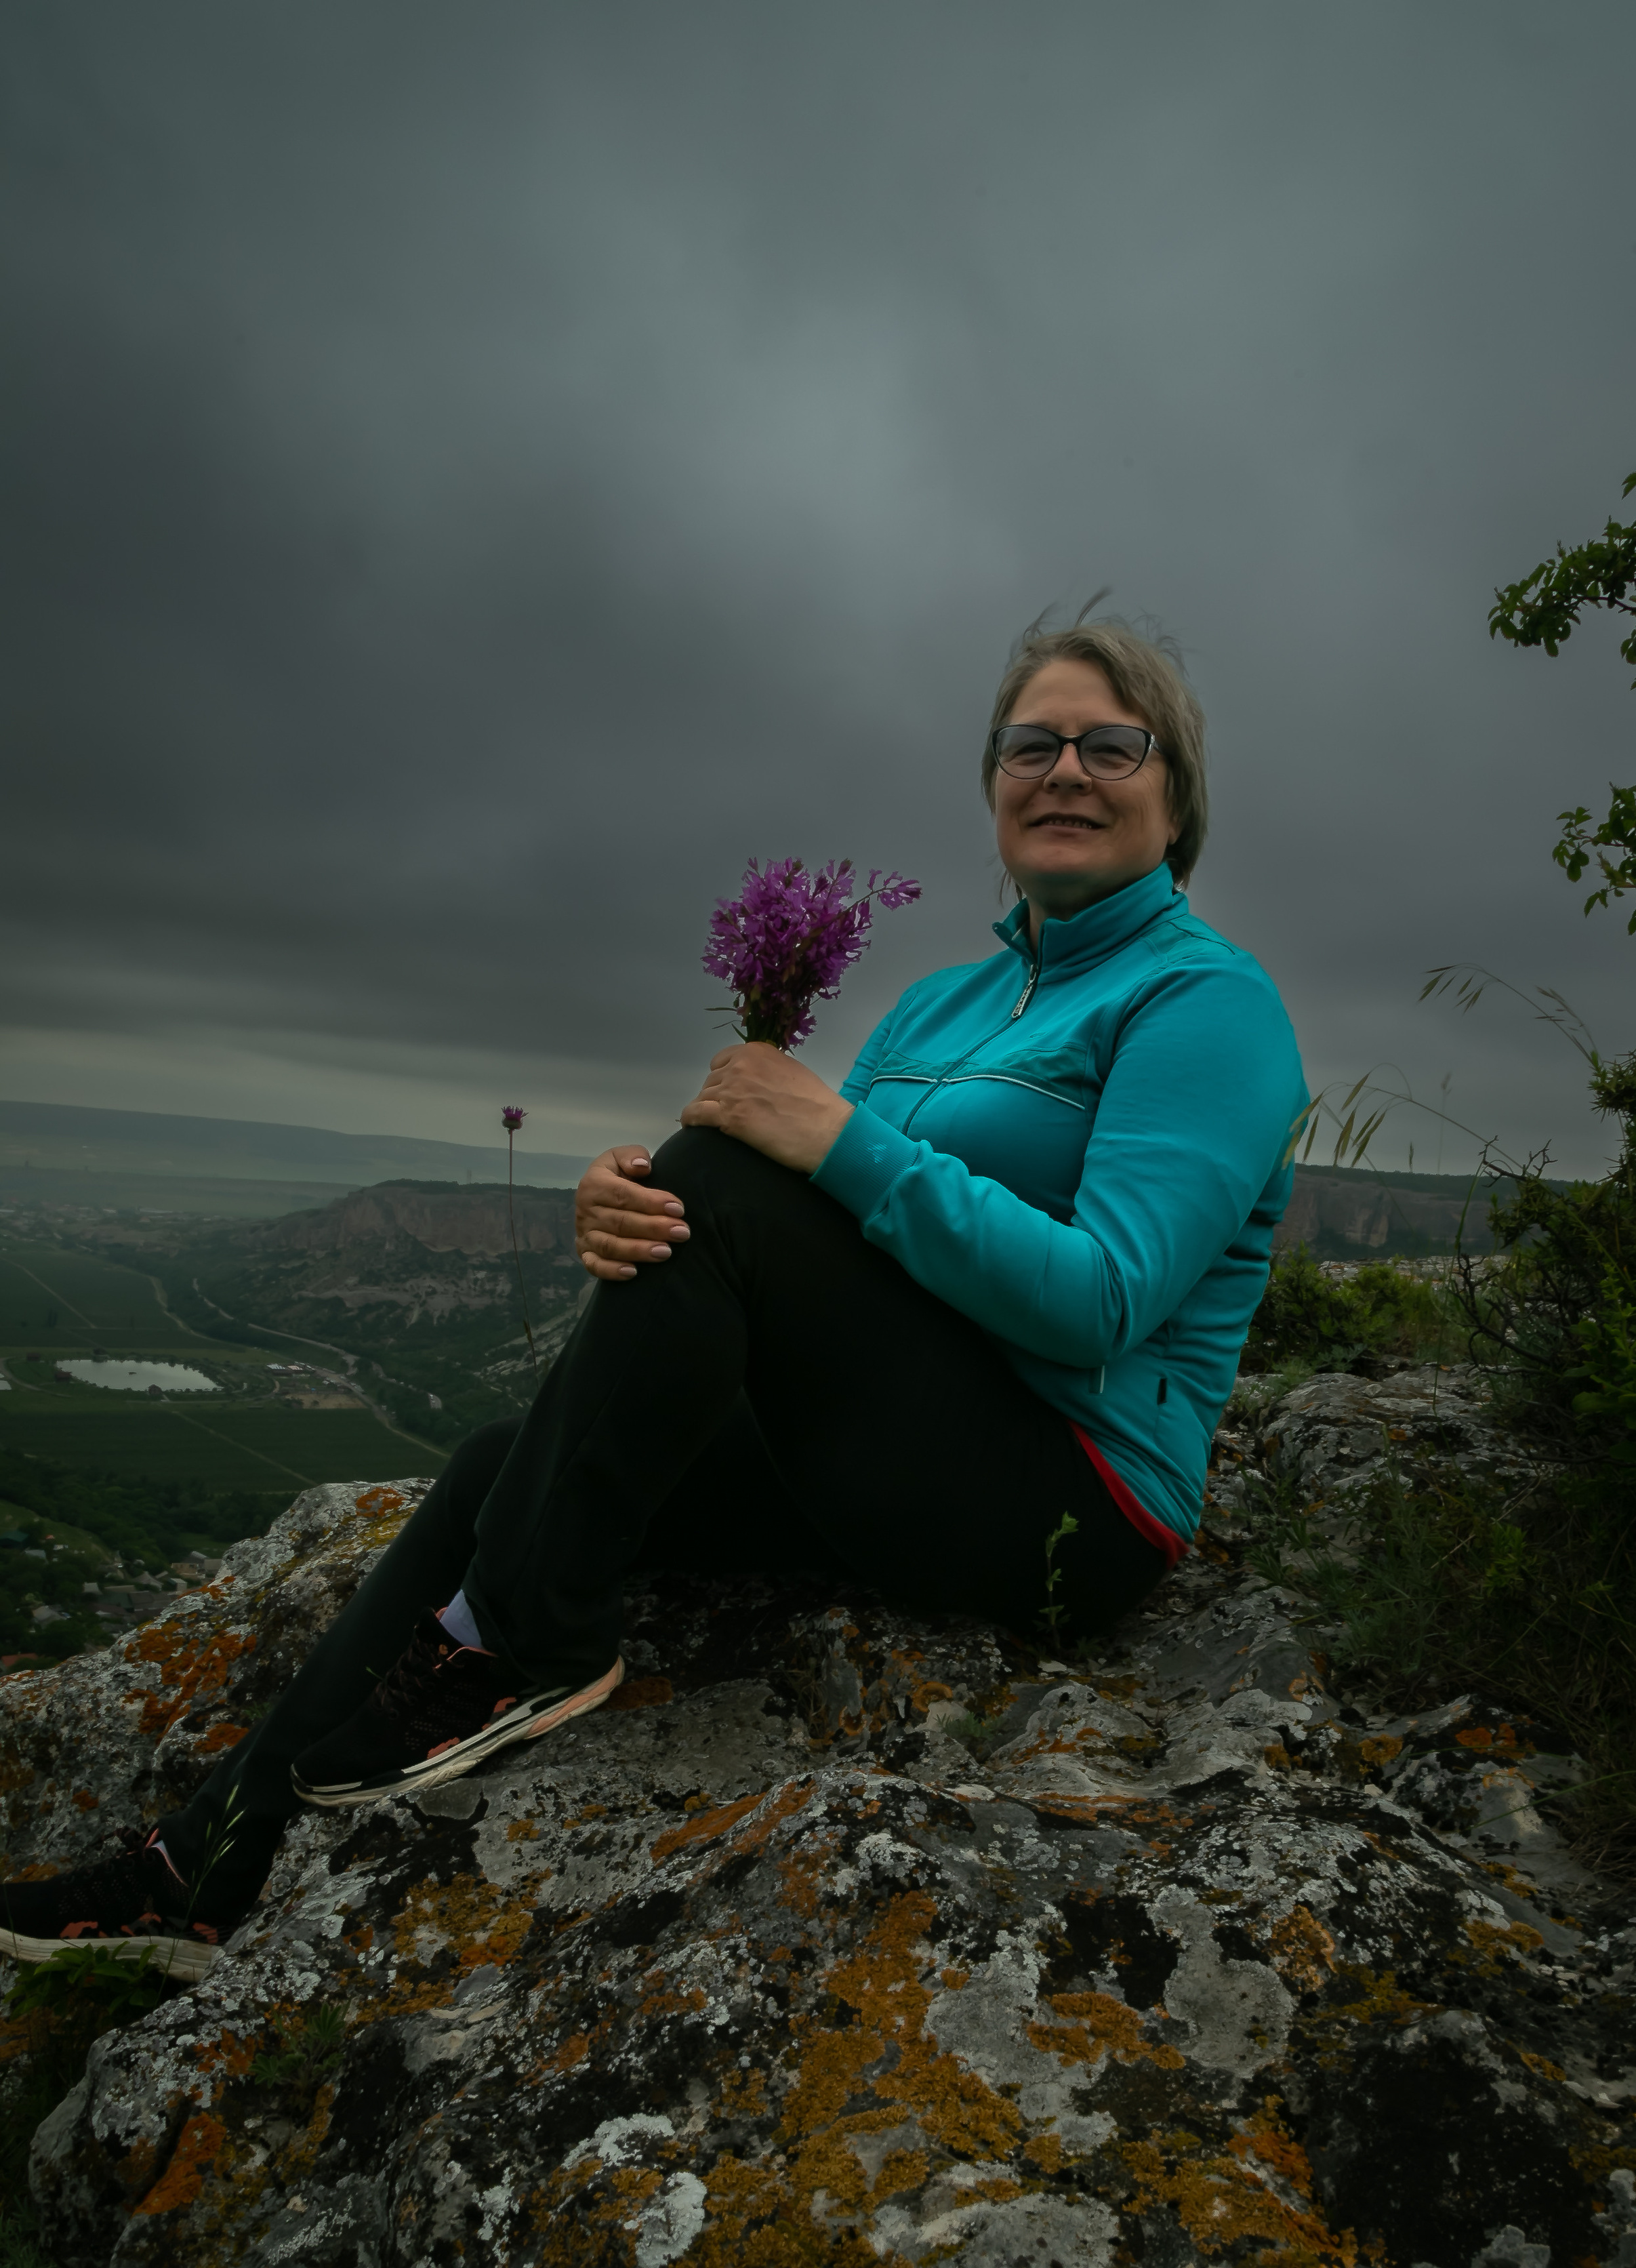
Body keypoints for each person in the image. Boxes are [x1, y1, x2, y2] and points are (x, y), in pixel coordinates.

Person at [0, 618, 1306, 1974]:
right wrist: (632, 1212)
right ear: (991, 781)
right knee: (506, 1463)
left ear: (1174, 793)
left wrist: (807, 1150)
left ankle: (524, 1640)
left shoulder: (1204, 1004)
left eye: (1110, 745)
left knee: (726, 1185)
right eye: (1029, 744)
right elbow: (829, 1234)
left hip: (1066, 1498)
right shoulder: (942, 1006)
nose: (1064, 773)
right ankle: (206, 1864)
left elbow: (1099, 1298)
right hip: (894, 1449)